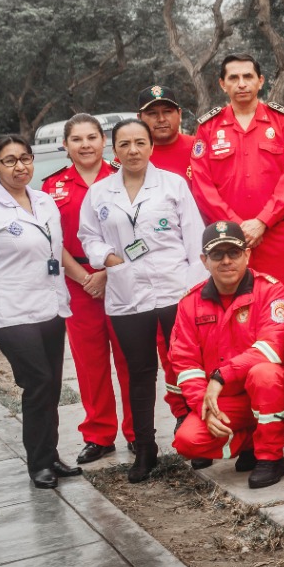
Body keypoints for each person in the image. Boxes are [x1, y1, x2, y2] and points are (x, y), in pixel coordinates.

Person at [78, 118, 207, 482]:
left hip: (173, 290)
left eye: (140, 143)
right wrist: (108, 257)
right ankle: (146, 449)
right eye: (124, 144)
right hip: (127, 294)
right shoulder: (100, 193)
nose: (133, 150)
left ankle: (197, 441)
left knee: (184, 367)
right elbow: (87, 235)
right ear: (114, 151)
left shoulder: (173, 185)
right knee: (140, 373)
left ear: (151, 146)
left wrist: (189, 288)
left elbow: (195, 239)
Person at [0, 135, 79, 489]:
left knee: (52, 384)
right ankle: (38, 463)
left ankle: (51, 454)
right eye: (9, 161)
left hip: (50, 306)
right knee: (37, 381)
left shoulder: (44, 201)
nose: (19, 166)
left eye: (25, 158)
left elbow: (54, 250)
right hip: (11, 312)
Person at [168, 221, 284, 489]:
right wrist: (204, 408)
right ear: (204, 260)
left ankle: (271, 458)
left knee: (265, 372)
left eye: (234, 253)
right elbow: (185, 364)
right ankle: (251, 440)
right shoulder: (189, 303)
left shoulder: (271, 290)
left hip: (269, 392)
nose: (226, 261)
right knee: (187, 441)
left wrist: (220, 376)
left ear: (247, 254)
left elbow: (272, 347)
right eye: (217, 255)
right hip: (225, 403)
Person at [42, 115, 132, 465]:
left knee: (129, 358)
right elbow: (52, 241)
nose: (85, 145)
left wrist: (106, 275)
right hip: (77, 282)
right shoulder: (51, 188)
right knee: (90, 363)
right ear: (65, 146)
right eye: (76, 139)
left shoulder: (123, 176)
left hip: (122, 277)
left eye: (92, 137)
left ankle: (139, 432)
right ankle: (99, 434)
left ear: (104, 141)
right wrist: (84, 278)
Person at [191, 54, 284, 285]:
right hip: (228, 241)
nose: (241, 83)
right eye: (233, 78)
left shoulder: (281, 121)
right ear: (223, 84)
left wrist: (262, 221)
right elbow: (202, 185)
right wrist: (235, 226)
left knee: (282, 306)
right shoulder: (208, 127)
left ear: (260, 81)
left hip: (276, 235)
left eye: (248, 76)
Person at [137, 85, 196, 181]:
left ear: (179, 114)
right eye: (152, 113)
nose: (161, 119)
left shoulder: (199, 148)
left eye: (167, 112)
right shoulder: (131, 155)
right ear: (139, 118)